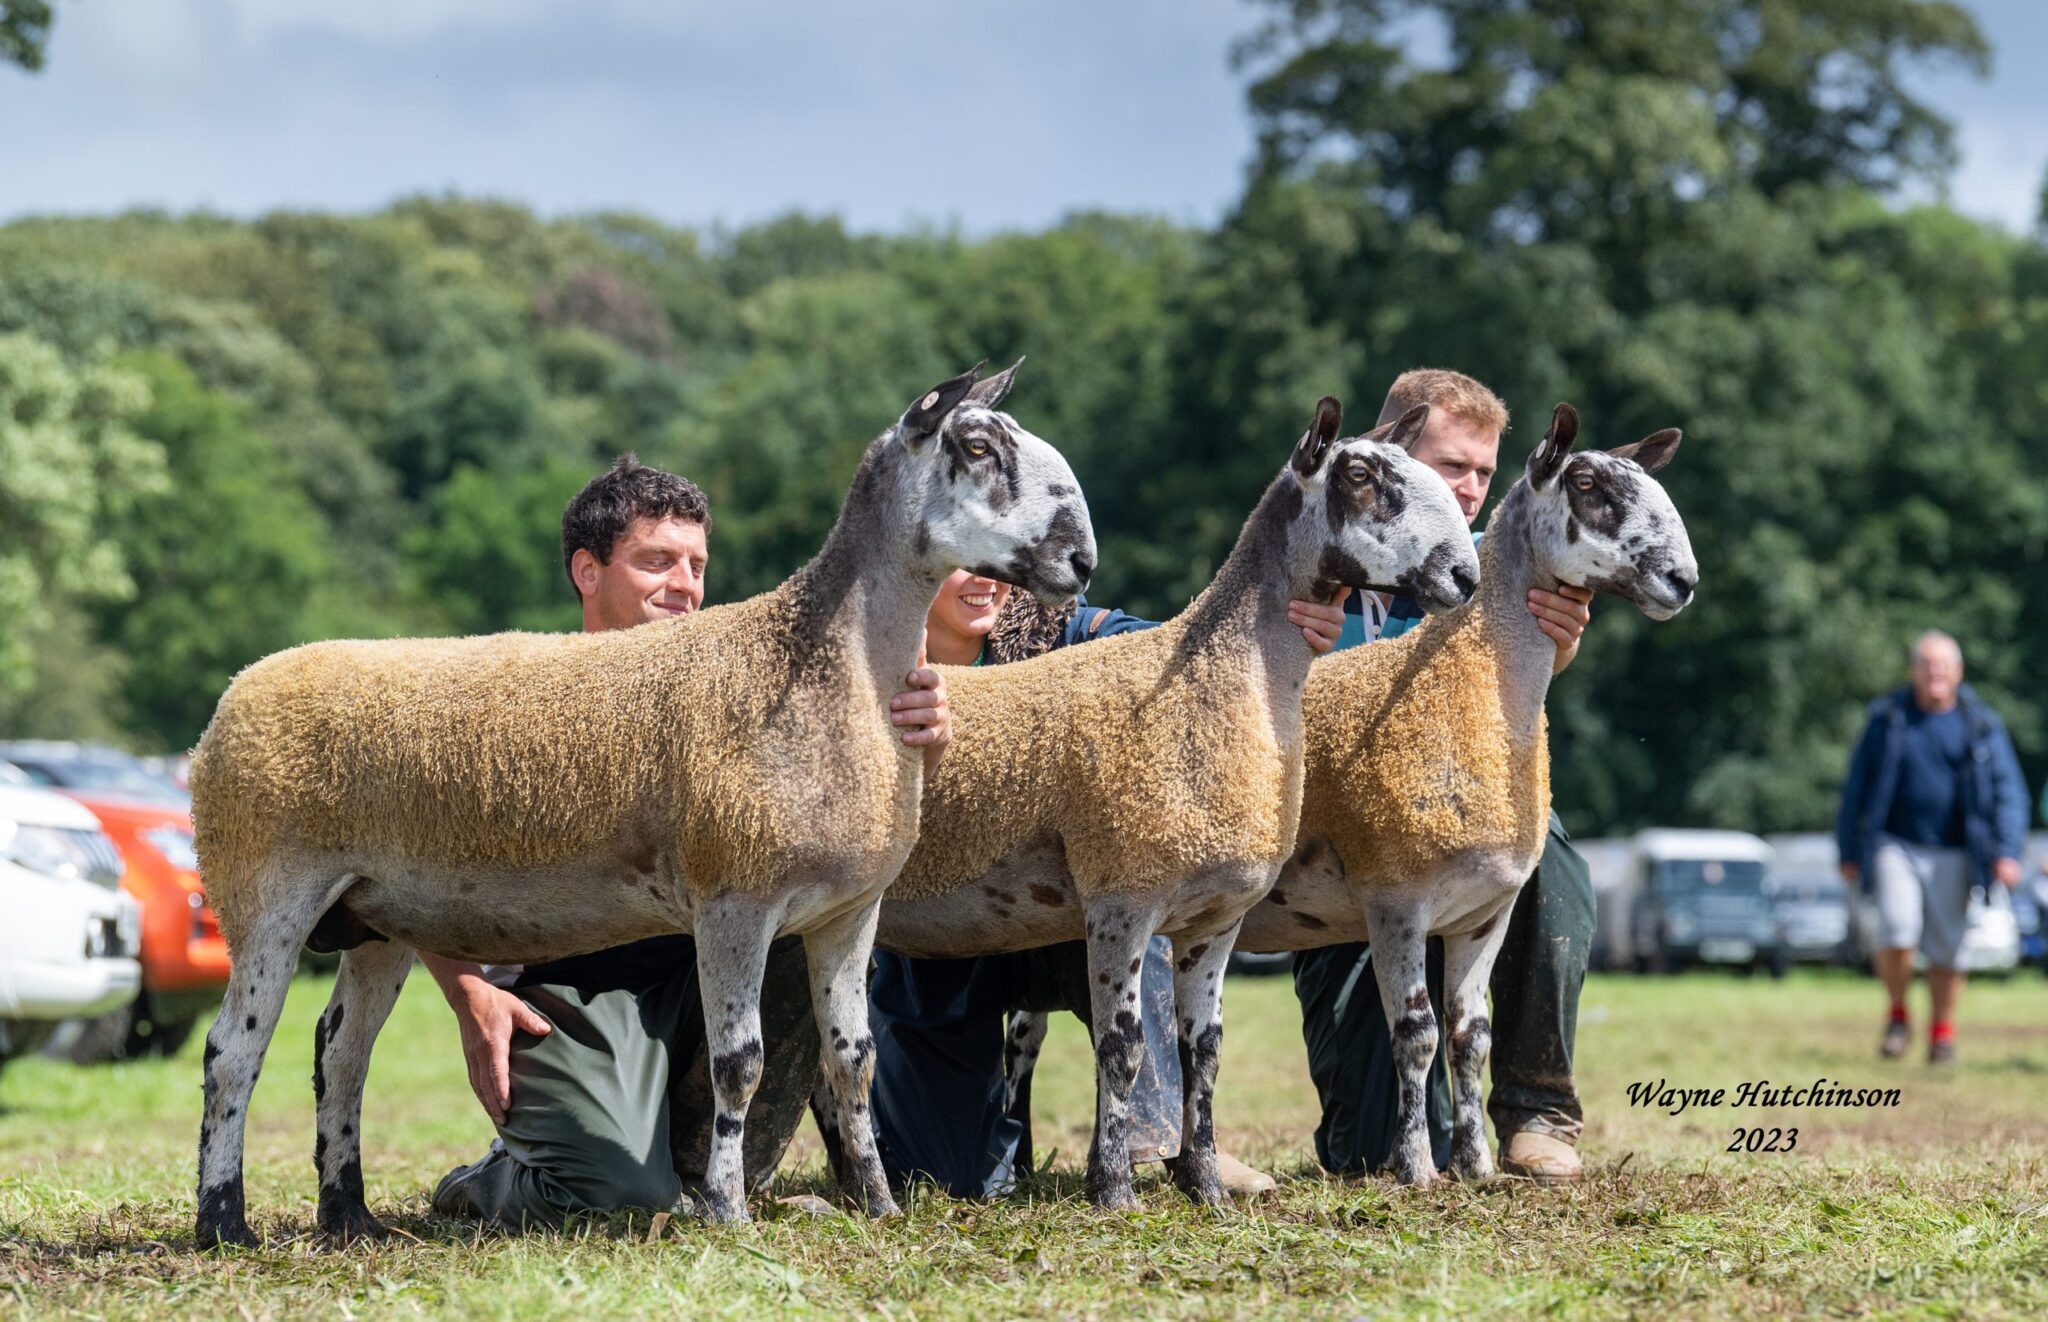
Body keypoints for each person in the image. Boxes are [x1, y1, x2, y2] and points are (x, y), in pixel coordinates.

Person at [426, 454, 953, 1226]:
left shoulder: (734, 695)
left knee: (803, 927)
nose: (685, 585)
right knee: (611, 1200)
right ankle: (494, 1178)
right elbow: (421, 853)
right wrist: (468, 992)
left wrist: (916, 743)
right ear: (586, 570)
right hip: (580, 990)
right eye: (656, 561)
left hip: (717, 972)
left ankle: (718, 1172)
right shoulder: (523, 695)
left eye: (697, 564)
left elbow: (829, 824)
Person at [866, 569, 1348, 1200]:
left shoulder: (1069, 634)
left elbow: (1185, 652)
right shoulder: (866, 655)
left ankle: (1171, 1138)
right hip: (931, 934)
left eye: (998, 559)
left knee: (1140, 886)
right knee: (951, 1178)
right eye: (965, 557)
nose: (987, 576)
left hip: (1064, 929)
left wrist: (1286, 629)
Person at [1286, 368, 1598, 1184]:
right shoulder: (1302, 549)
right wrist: (1286, 650)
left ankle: (1536, 1113)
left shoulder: (1505, 574)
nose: (1468, 490)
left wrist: (1555, 649)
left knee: (1549, 851)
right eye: (1451, 465)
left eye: (1485, 473)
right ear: (1389, 451)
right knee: (1371, 1156)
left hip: (1456, 852)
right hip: (1333, 877)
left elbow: (1503, 743)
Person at [1835, 631, 2027, 1064]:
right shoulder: (1887, 718)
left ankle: (1942, 1031)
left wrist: (2007, 852)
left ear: (1958, 672)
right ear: (1913, 671)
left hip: (1959, 850)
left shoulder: (1980, 725)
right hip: (1894, 845)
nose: (1934, 672)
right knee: (1898, 931)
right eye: (1926, 663)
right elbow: (1856, 789)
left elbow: (2009, 793)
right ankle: (1899, 1014)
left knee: (1947, 949)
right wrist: (1848, 849)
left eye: (1943, 665)